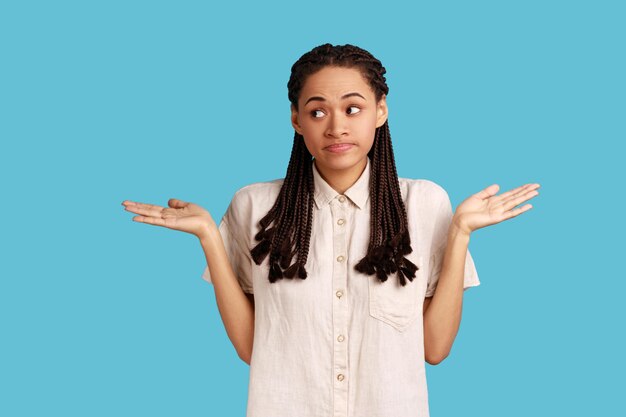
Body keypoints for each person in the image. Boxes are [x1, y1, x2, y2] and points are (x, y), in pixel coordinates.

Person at [122, 43, 540, 417]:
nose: (335, 126)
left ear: (381, 110)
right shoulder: (254, 206)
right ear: (296, 120)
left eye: (352, 108)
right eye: (317, 110)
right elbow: (254, 350)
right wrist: (209, 238)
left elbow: (434, 349)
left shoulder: (425, 204)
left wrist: (462, 231)